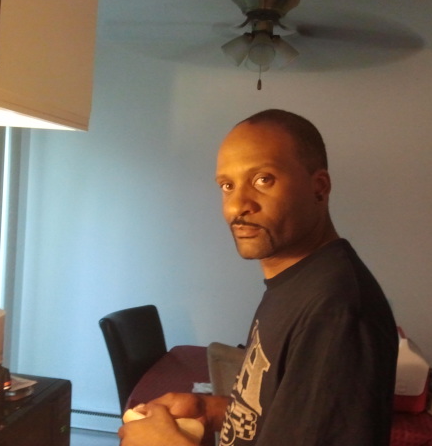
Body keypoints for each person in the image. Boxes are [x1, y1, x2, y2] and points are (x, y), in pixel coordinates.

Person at [118, 109, 398, 446]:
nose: (237, 205)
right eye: (227, 186)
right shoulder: (297, 282)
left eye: (263, 180)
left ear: (319, 187)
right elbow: (285, 415)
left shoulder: (335, 311)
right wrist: (209, 410)